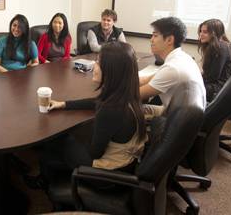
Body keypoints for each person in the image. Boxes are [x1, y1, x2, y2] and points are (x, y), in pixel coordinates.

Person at [27, 42, 147, 188]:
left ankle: (45, 180)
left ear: (111, 71)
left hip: (108, 175)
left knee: (60, 138)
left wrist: (82, 138)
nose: (93, 65)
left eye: (98, 62)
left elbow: (95, 153)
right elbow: (97, 102)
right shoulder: (126, 95)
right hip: (126, 162)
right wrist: (64, 104)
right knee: (74, 134)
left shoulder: (110, 110)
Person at [139, 17, 206, 117]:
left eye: (155, 36)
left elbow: (137, 94)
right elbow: (146, 79)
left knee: (125, 110)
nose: (151, 40)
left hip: (175, 119)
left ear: (169, 40)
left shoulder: (172, 68)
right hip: (177, 111)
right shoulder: (182, 57)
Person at [198, 19, 231, 102]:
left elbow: (213, 76)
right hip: (215, 85)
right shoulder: (217, 46)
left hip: (219, 87)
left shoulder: (221, 47)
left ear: (215, 33)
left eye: (205, 32)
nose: (201, 34)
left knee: (187, 87)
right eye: (201, 31)